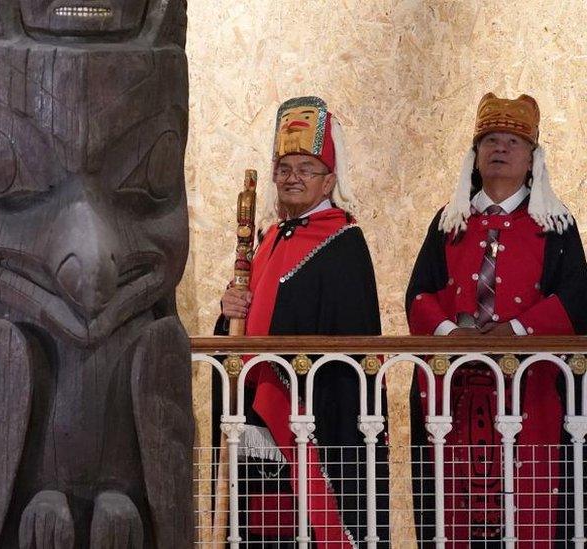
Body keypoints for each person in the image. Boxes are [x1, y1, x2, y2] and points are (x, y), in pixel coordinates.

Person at [406, 93, 587, 547]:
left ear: (532, 159)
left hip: (534, 391)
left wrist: (517, 331)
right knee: (454, 511)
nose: (499, 149)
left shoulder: (557, 224)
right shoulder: (448, 222)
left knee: (529, 510)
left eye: (512, 141)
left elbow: (576, 298)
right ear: (475, 155)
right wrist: (451, 335)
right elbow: (418, 295)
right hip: (455, 397)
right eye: (489, 140)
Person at [216, 96, 387, 545]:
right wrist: (229, 310)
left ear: (329, 178)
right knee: (263, 527)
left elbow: (348, 333)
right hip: (254, 411)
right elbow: (248, 316)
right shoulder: (268, 236)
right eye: (284, 167)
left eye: (306, 168)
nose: (293, 178)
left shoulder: (343, 240)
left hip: (310, 414)